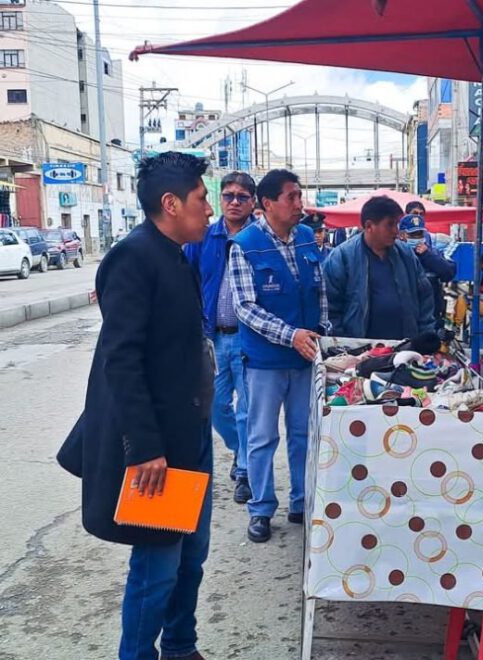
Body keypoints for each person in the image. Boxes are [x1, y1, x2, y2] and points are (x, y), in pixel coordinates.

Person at [56, 152, 215, 660]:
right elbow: (120, 361)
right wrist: (145, 447)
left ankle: (181, 647)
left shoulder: (175, 255)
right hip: (158, 447)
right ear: (170, 204)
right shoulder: (134, 257)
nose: (209, 209)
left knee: (192, 556)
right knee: (157, 568)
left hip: (190, 434)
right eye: (201, 198)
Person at [227, 169, 330, 543]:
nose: (299, 204)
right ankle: (261, 508)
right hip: (266, 362)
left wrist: (323, 329)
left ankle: (301, 501)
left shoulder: (305, 238)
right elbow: (246, 308)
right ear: (267, 203)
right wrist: (292, 335)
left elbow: (318, 290)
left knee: (304, 433)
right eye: (292, 197)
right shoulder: (245, 245)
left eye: (300, 195)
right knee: (261, 437)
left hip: (306, 359)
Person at [183, 172, 255, 506]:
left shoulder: (259, 238)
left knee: (248, 410)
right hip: (214, 338)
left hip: (250, 338)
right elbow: (182, 275)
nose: (234, 202)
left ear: (253, 201)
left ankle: (244, 471)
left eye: (242, 196)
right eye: (229, 196)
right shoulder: (204, 237)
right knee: (216, 407)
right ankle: (242, 449)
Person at [324, 195, 435, 340]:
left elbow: (425, 298)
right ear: (369, 226)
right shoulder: (342, 258)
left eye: (396, 224)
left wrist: (425, 339)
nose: (396, 231)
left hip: (405, 349)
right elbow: (329, 309)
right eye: (390, 224)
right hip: (359, 353)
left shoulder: (406, 255)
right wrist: (344, 345)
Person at [399, 212, 455, 330]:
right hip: (403, 315)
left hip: (431, 315)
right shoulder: (396, 254)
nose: (417, 238)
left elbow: (448, 273)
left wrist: (427, 256)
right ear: (402, 235)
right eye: (413, 235)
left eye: (420, 234)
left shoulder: (432, 253)